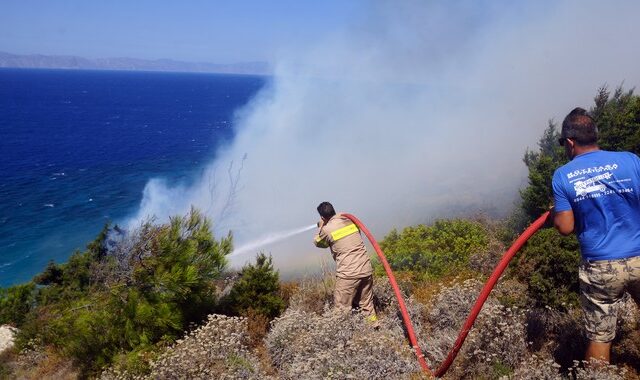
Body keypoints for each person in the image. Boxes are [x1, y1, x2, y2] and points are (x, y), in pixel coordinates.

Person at [551, 107, 640, 363]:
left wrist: (560, 211)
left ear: (570, 142)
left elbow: (565, 227)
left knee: (600, 337)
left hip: (600, 266)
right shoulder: (631, 160)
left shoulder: (563, 175)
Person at [313, 201, 379, 326]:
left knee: (342, 309)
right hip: (366, 269)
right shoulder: (350, 220)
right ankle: (373, 327)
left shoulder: (326, 230)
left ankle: (343, 337)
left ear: (322, 217)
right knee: (366, 303)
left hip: (348, 274)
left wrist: (321, 226)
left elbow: (318, 243)